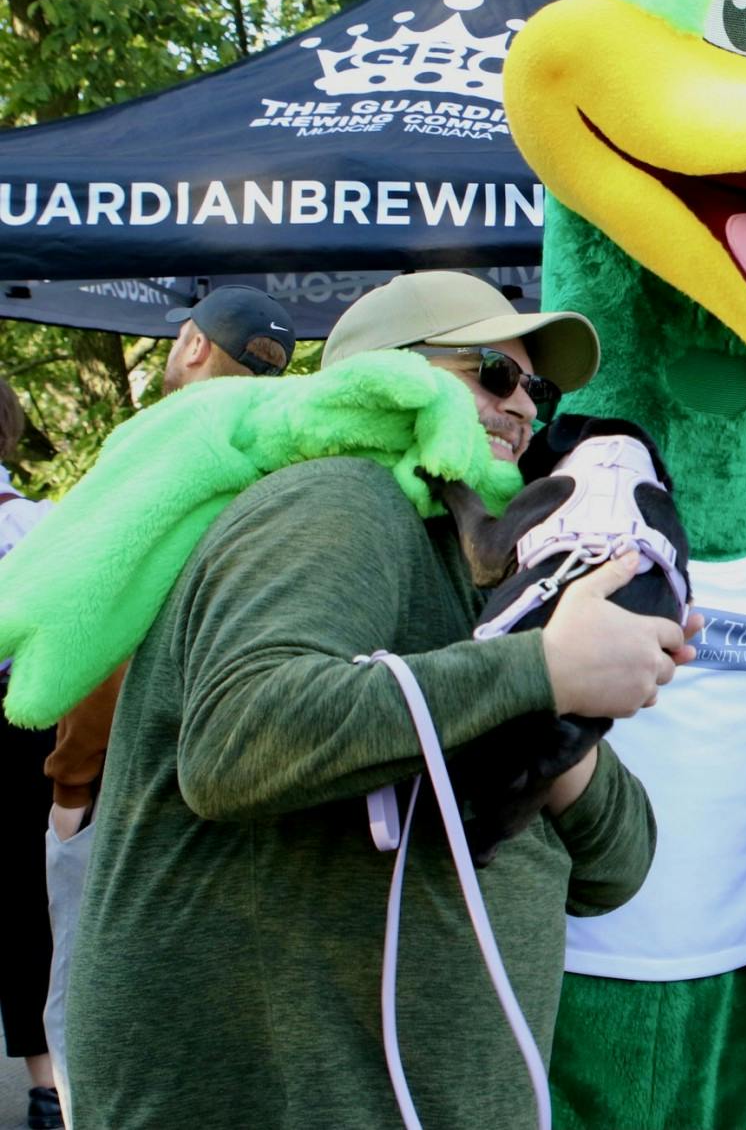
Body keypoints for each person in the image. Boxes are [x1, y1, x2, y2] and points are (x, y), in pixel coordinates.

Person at [61, 271, 673, 1127]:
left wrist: (564, 726)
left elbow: (618, 871)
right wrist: (536, 671)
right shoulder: (336, 497)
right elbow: (236, 743)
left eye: (539, 387)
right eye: (493, 375)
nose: (528, 408)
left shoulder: (479, 555)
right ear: (387, 375)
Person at [38, 286, 302, 1121]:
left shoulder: (155, 455)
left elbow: (95, 630)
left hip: (131, 795)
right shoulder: (280, 474)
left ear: (189, 345)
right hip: (244, 798)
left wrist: (70, 789)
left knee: (93, 1027)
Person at [0, 376, 60, 1130]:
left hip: (19, 728)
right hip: (25, 727)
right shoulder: (40, 525)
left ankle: (51, 1089)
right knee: (26, 909)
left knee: (23, 910)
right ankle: (49, 1090)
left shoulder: (35, 523)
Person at [161, 283, 298, 390]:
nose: (174, 345)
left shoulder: (155, 425)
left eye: (179, 337)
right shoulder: (291, 424)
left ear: (197, 348)